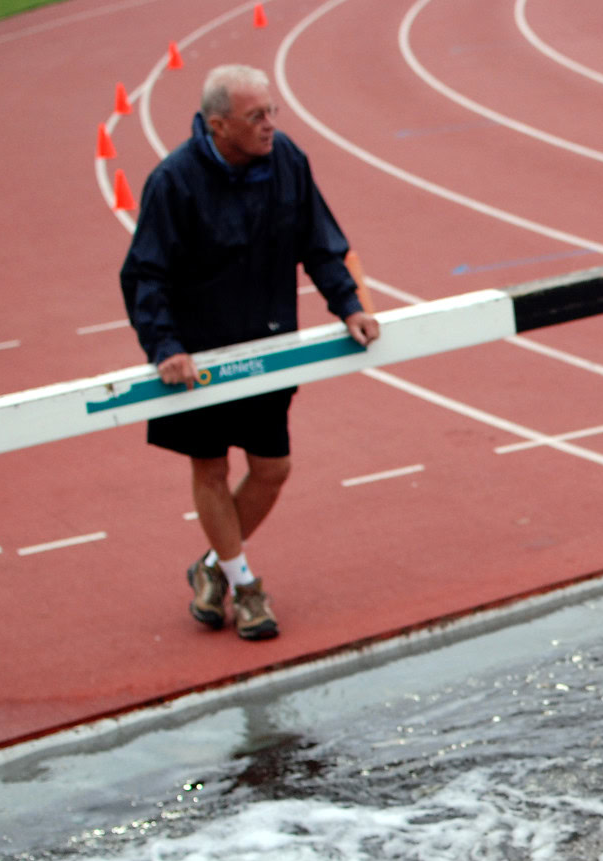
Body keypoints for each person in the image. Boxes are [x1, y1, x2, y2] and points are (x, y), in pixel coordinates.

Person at [120, 65, 379, 641]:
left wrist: (349, 306)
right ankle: (245, 587)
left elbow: (320, 240)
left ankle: (210, 568)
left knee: (272, 468)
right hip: (194, 361)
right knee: (211, 468)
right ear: (218, 126)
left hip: (267, 347)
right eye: (256, 116)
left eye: (272, 112)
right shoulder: (173, 183)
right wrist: (165, 347)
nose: (270, 125)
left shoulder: (287, 160)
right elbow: (146, 275)